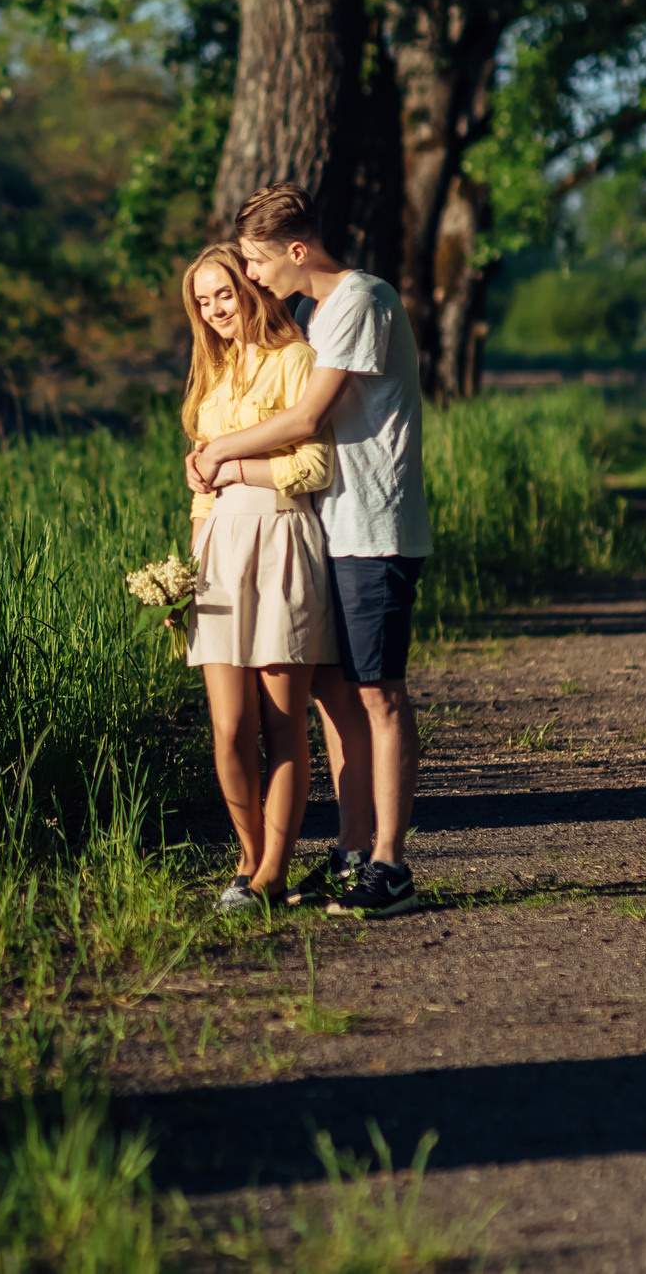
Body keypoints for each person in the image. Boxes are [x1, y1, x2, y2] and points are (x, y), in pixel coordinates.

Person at [189, 184, 430, 920]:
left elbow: (305, 416)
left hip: (372, 525)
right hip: (324, 529)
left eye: (259, 262)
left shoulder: (361, 298)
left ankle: (390, 860)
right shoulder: (314, 313)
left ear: (297, 250)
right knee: (333, 694)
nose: (253, 276)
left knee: (378, 692)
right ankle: (354, 848)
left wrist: (220, 450)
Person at [177, 242, 337, 915]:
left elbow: (315, 467)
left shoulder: (294, 359)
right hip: (219, 551)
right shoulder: (211, 374)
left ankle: (272, 869)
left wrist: (233, 466)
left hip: (279, 538)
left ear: (251, 288)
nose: (216, 310)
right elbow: (201, 486)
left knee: (280, 722)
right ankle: (247, 856)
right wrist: (188, 566)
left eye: (224, 294)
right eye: (203, 301)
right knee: (228, 725)